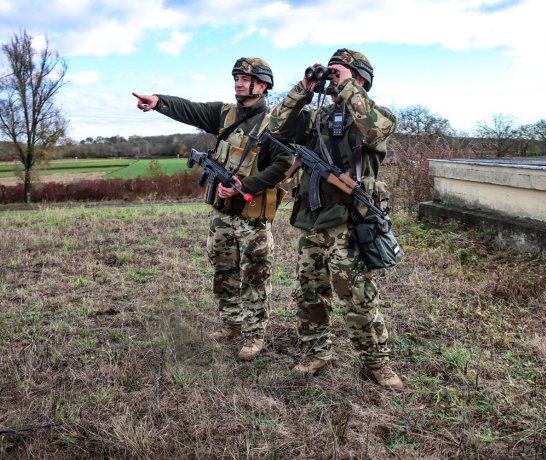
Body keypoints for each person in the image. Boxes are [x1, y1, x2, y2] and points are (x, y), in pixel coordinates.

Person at [133, 57, 293, 360]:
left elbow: (283, 165)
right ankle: (231, 321)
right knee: (222, 266)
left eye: (245, 78)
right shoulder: (223, 114)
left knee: (256, 272)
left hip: (252, 215)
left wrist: (244, 186)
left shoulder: (274, 124)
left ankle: (255, 335)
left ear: (262, 85)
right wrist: (158, 102)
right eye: (236, 77)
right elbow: (189, 108)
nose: (238, 82)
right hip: (222, 212)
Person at [269, 49, 403, 390]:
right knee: (309, 293)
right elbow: (275, 127)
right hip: (313, 221)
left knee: (357, 295)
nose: (333, 79)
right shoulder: (319, 118)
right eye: (332, 73)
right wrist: (304, 88)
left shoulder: (377, 115)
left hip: (350, 222)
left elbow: (374, 132)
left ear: (360, 80)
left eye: (341, 73)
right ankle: (317, 352)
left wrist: (346, 86)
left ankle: (377, 362)